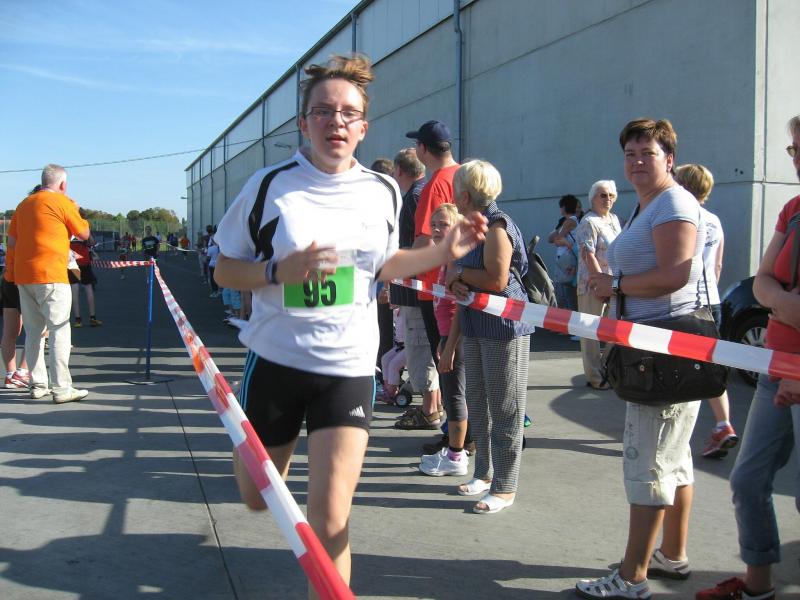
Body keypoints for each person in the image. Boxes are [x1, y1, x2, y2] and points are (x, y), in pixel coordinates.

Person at [211, 54, 487, 596]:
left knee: (331, 517)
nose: (335, 121)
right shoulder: (269, 187)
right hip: (277, 360)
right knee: (256, 496)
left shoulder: (382, 190)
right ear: (304, 122)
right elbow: (224, 267)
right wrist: (276, 271)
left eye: (348, 113)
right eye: (323, 111)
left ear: (362, 126)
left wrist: (440, 252)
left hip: (349, 366)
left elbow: (384, 265)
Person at [576, 118, 706, 599]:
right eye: (629, 153)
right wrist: (611, 282)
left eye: (646, 153)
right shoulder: (647, 205)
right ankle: (671, 554)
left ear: (669, 159)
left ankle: (632, 578)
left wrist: (616, 285)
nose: (635, 162)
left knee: (648, 463)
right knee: (674, 457)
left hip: (663, 351)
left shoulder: (673, 202)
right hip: (654, 347)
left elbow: (675, 274)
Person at [696, 115, 800, 600]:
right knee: (748, 480)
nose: (796, 158)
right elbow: (761, 281)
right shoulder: (793, 209)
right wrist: (783, 303)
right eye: (794, 149)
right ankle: (758, 587)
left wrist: (781, 302)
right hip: (775, 368)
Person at [447, 159, 535, 513]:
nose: (454, 195)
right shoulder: (472, 227)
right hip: (475, 323)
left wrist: (459, 275)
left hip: (503, 327)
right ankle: (483, 473)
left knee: (505, 407)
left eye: (457, 190)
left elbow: (496, 279)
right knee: (479, 403)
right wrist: (457, 278)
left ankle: (505, 486)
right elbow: (458, 275)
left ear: (466, 195)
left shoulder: (498, 225)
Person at [393, 120, 460, 431]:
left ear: (422, 149)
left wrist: (394, 265)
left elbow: (425, 241)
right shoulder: (463, 176)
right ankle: (458, 432)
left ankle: (455, 437)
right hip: (460, 282)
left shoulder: (436, 185)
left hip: (436, 288)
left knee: (446, 362)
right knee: (459, 363)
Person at [8, 164, 91, 403]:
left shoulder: (24, 205)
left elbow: (11, 242)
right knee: (59, 330)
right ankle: (62, 388)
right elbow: (84, 234)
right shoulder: (63, 202)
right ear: (63, 184)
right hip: (52, 275)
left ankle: (37, 385)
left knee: (34, 332)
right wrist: (75, 210)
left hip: (25, 276)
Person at [673, 163, 739, 459]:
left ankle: (676, 438)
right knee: (709, 366)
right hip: (711, 299)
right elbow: (718, 265)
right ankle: (723, 424)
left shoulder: (682, 219)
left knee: (679, 368)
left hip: (686, 302)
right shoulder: (714, 220)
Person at [420, 203, 470, 477]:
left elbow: (461, 305)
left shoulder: (455, 260)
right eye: (434, 225)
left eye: (444, 224)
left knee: (454, 395)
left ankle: (455, 455)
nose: (437, 230)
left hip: (454, 335)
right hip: (446, 334)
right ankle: (462, 444)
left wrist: (449, 345)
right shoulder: (447, 256)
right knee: (454, 393)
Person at [575, 180, 621, 390]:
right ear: (592, 198)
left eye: (611, 195)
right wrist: (598, 282)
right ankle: (595, 376)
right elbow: (588, 254)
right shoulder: (589, 222)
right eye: (603, 195)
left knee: (616, 328)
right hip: (592, 284)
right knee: (590, 333)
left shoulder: (614, 220)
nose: (608, 199)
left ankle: (605, 368)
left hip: (614, 282)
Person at [1, 195, 30, 390]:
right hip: (27, 280)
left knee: (11, 331)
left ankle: (11, 374)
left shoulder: (19, 216)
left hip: (10, 278)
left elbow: (11, 243)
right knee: (38, 330)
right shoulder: (37, 222)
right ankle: (22, 371)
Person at [549, 194, 581, 313]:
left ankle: (571, 323)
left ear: (564, 207)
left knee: (567, 295)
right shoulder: (567, 222)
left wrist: (561, 240)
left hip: (568, 261)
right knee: (564, 293)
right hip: (565, 260)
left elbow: (557, 240)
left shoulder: (570, 221)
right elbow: (552, 239)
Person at [69, 236, 102, 327]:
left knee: (74, 289)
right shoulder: (83, 228)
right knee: (88, 287)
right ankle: (92, 318)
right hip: (84, 260)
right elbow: (92, 242)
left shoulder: (67, 228)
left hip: (72, 260)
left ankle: (78, 320)